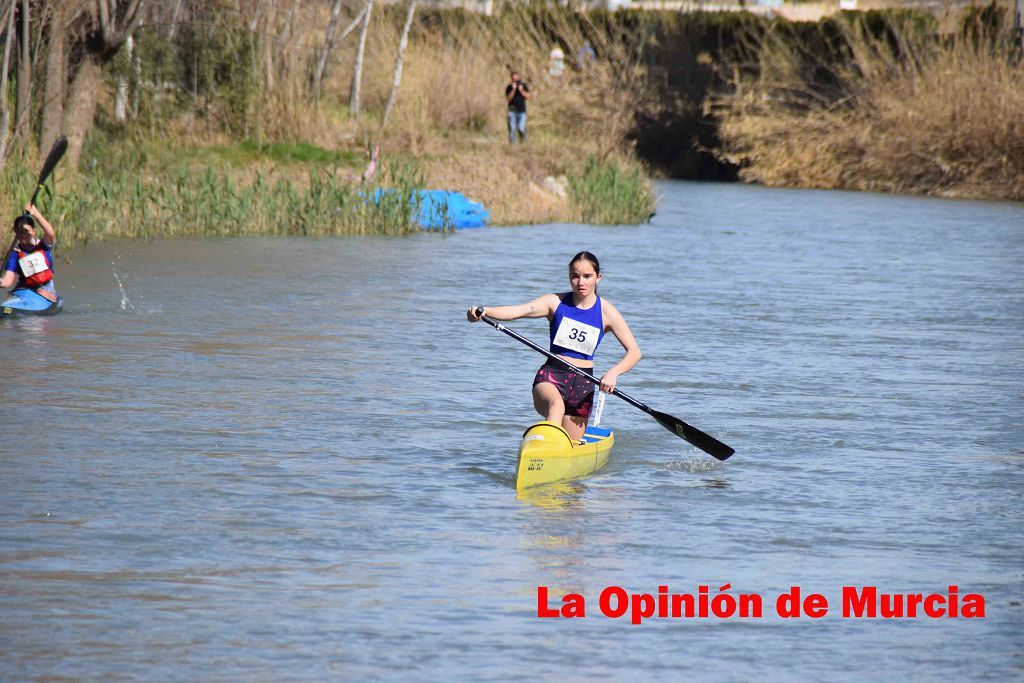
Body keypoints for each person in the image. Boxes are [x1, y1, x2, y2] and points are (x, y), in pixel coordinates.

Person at [467, 251, 641, 442]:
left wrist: (613, 374)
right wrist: (484, 311)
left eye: (587, 276)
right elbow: (519, 311)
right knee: (556, 405)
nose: (580, 282)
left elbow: (634, 352)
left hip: (584, 385)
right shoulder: (555, 302)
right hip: (552, 376)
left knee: (571, 445)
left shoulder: (607, 312)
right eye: (575, 276)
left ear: (598, 278)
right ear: (569, 277)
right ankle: (542, 449)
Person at [1, 203, 59, 303]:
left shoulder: (43, 245)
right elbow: (8, 280)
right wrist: (1, 282)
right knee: (10, 300)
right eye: (19, 231)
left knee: (42, 293)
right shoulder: (15, 253)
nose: (23, 234)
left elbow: (50, 233)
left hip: (44, 288)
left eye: (26, 231)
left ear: (33, 231)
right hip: (24, 289)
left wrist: (36, 214)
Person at [505, 70, 531, 144]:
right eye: (513, 80)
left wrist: (521, 90)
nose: (515, 81)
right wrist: (513, 89)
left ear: (519, 78)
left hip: (522, 111)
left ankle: (522, 143)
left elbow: (529, 96)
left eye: (517, 80)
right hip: (512, 111)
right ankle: (512, 147)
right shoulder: (509, 87)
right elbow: (508, 99)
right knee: (512, 129)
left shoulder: (523, 86)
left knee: (521, 128)